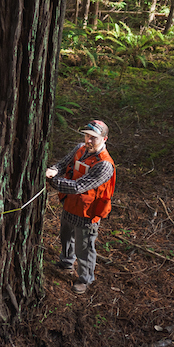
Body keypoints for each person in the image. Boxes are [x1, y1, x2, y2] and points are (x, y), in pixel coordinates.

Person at [45, 120, 116, 294]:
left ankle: (85, 279)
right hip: (70, 205)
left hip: (87, 213)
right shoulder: (80, 148)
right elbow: (63, 164)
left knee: (84, 247)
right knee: (66, 237)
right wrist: (54, 169)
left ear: (104, 139)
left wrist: (51, 180)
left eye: (94, 138)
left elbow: (78, 187)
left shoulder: (105, 165)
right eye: (87, 136)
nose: (89, 140)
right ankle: (66, 262)